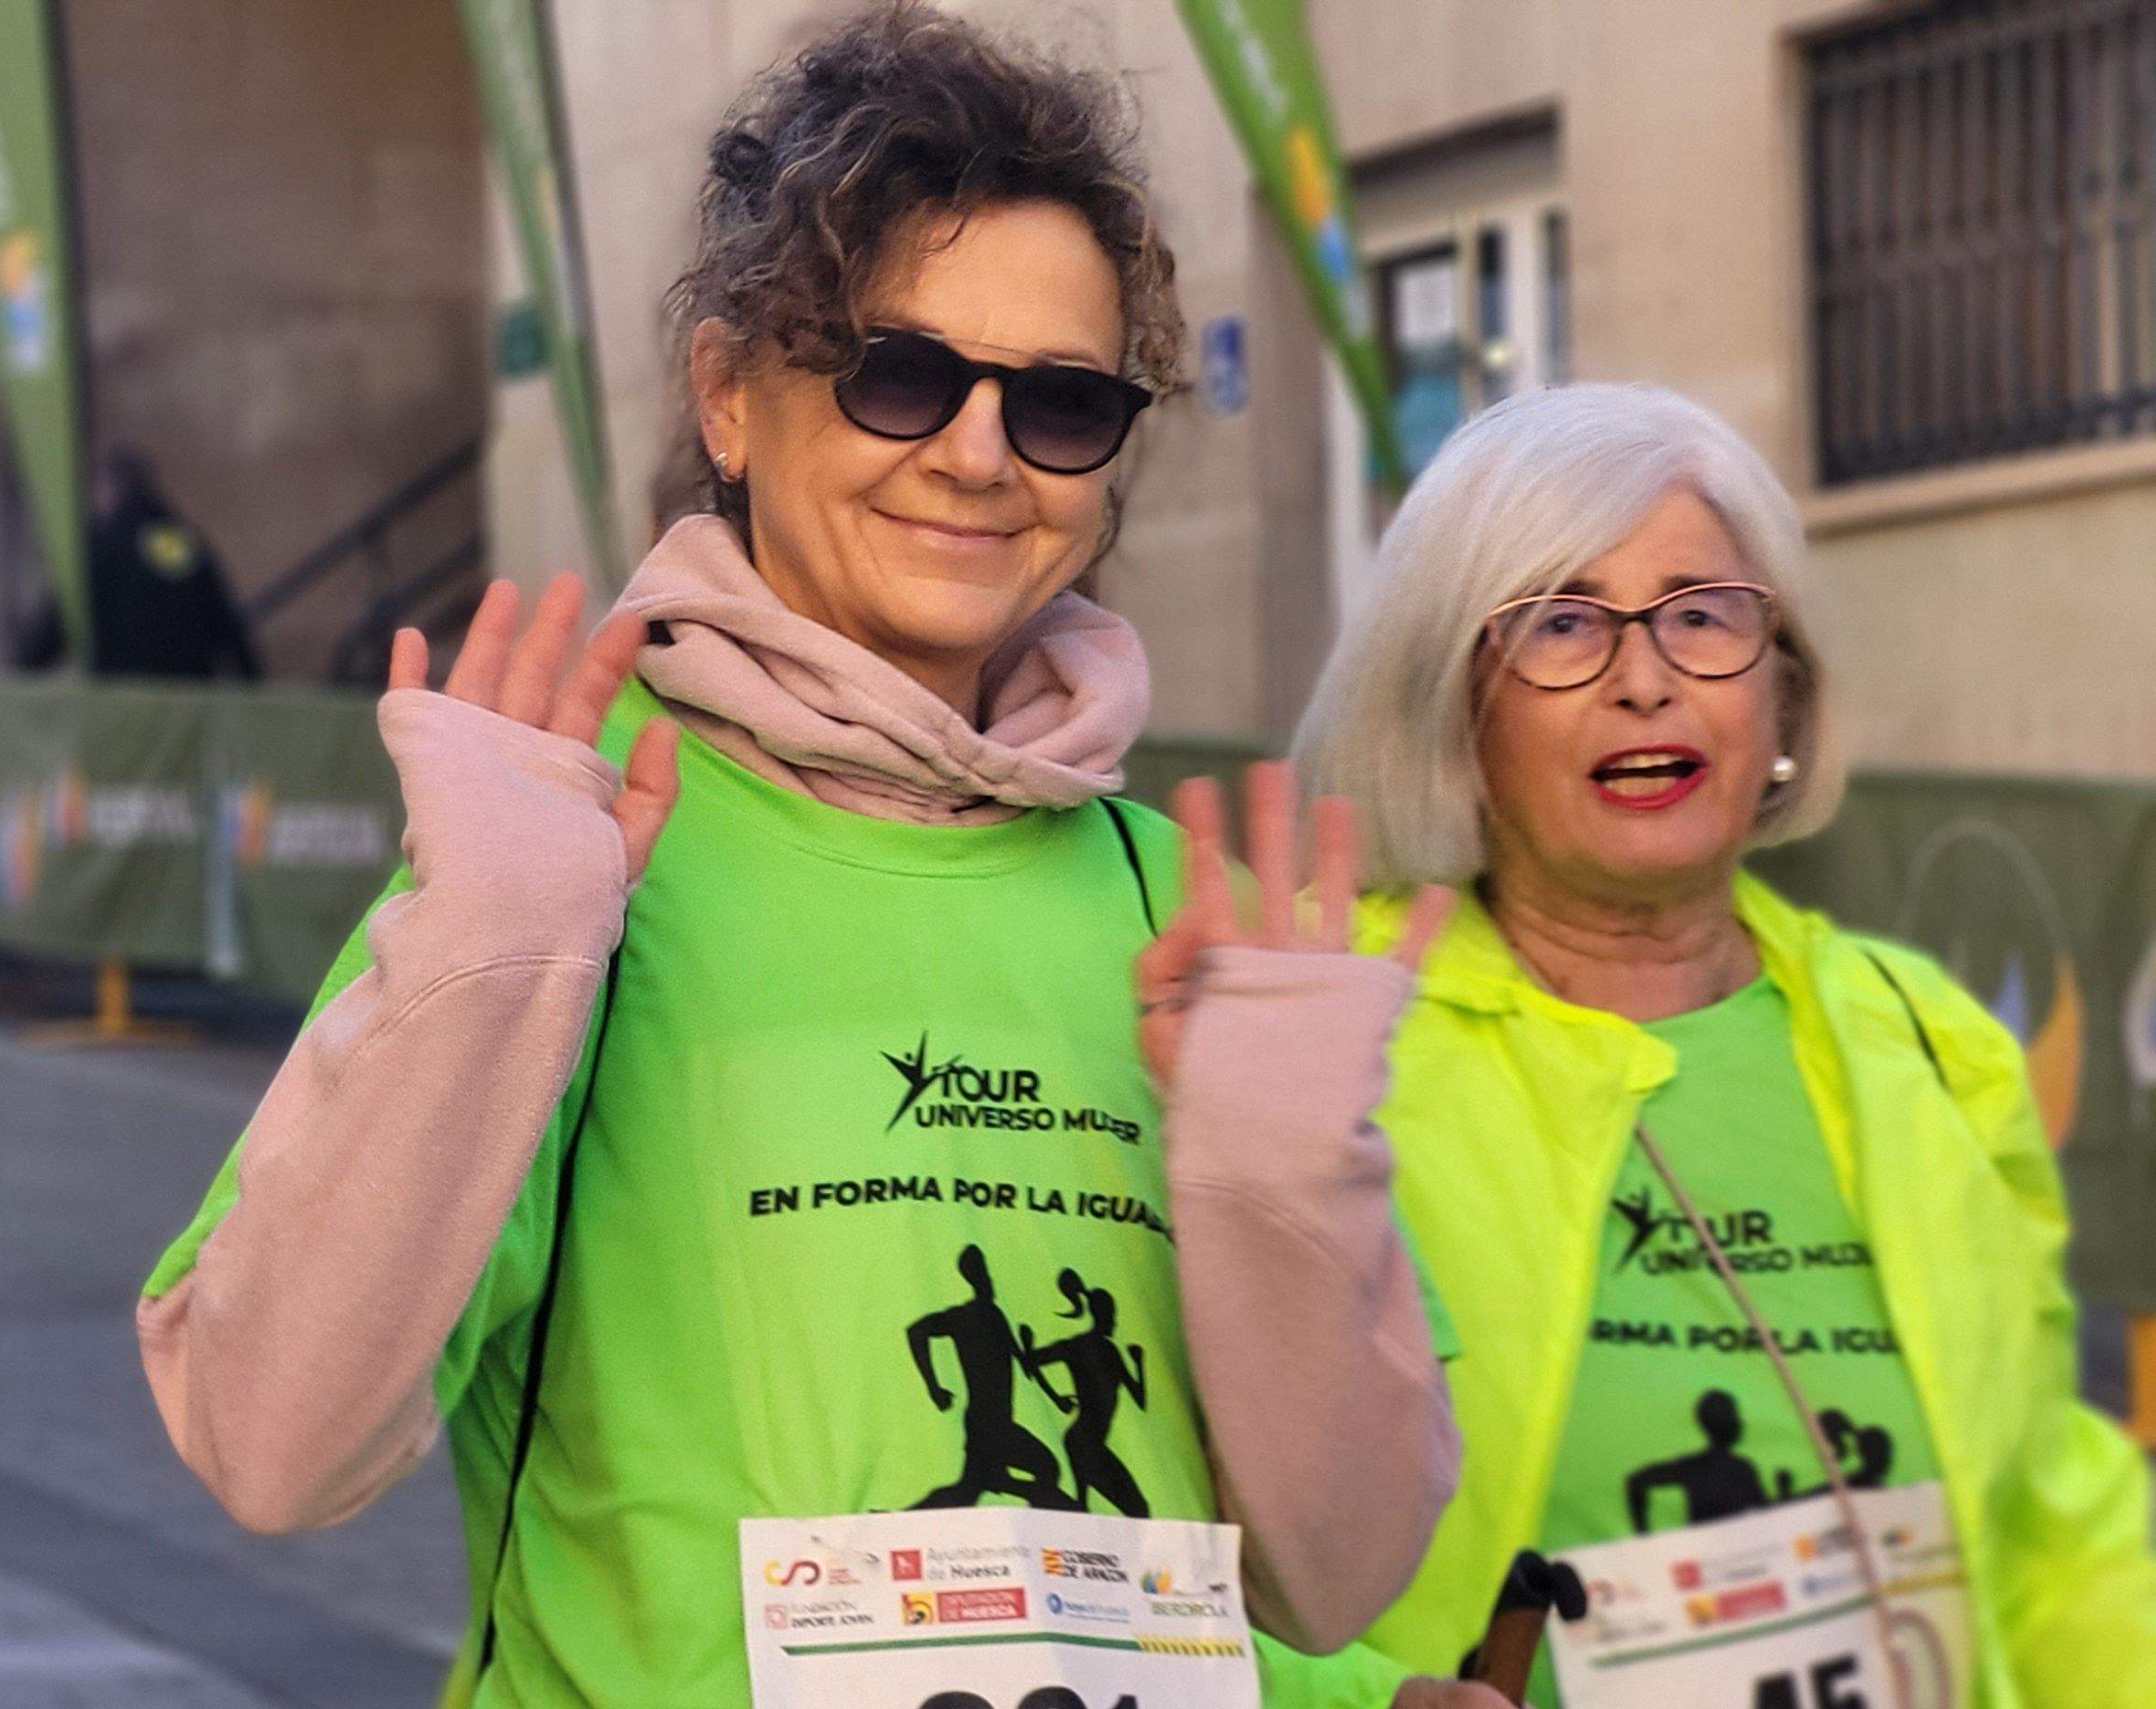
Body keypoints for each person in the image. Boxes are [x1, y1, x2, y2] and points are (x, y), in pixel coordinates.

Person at [137, 12, 1462, 1700]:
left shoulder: (1164, 903)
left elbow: (1316, 1582)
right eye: (900, 374)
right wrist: (486, 946)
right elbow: (267, 1437)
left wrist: (1281, 1183)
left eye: (1060, 402)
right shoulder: (564, 855)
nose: (979, 454)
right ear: (727, 394)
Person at [1281, 384, 2156, 1707]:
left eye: (1702, 616)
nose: (1646, 679)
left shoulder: (1930, 1042)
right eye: (1562, 624)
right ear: (1454, 701)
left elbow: (2048, 1517)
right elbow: (1178, 1519)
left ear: (1787, 696)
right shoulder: (1306, 1019)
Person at [12, 448, 262, 677]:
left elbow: (61, 619)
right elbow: (221, 620)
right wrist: (251, 683)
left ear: (108, 489)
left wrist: (23, 668)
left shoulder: (104, 544)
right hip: (187, 705)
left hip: (124, 702)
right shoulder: (179, 543)